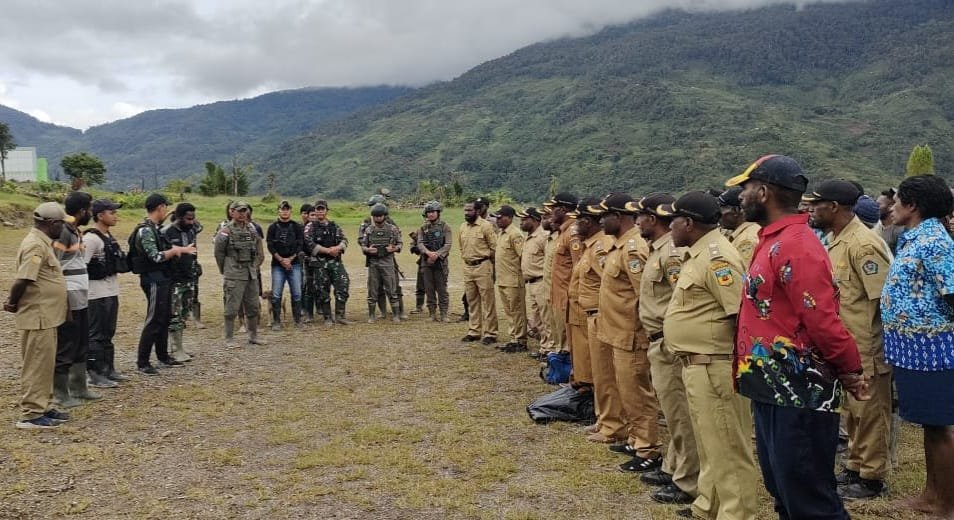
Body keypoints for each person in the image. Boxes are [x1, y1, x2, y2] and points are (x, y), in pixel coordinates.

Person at [726, 155, 869, 519]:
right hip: (772, 386)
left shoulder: (797, 245)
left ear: (763, 192)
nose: (739, 197)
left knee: (809, 497)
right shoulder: (773, 239)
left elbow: (821, 318)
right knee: (784, 490)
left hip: (799, 390)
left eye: (744, 189)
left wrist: (850, 368)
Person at [661, 191, 759, 519]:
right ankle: (709, 506)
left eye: (672, 220)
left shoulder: (718, 257)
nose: (669, 227)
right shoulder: (699, 253)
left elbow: (741, 314)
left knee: (730, 450)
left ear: (688, 223)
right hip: (698, 365)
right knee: (710, 445)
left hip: (715, 367)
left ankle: (737, 514)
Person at [805, 180, 893, 500]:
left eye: (816, 205)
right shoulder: (836, 240)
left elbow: (884, 299)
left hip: (866, 344)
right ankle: (856, 465)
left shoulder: (863, 244)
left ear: (835, 207)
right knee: (854, 412)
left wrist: (876, 348)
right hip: (847, 343)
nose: (811, 210)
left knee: (870, 412)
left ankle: (872, 477)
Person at [880, 174, 954, 517]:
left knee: (939, 427)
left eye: (897, 201)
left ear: (913, 206)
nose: (892, 206)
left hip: (932, 352)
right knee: (930, 424)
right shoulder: (915, 239)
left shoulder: (936, 243)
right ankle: (930, 494)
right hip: (911, 351)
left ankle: (946, 504)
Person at [633, 193, 699, 506]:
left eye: (642, 216)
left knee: (680, 413)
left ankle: (688, 480)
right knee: (672, 412)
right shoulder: (656, 250)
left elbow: (679, 299)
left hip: (668, 341)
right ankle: (674, 467)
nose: (637, 222)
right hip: (657, 339)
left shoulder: (671, 254)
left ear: (654, 219)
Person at [596, 193, 663, 472]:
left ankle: (648, 448)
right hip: (616, 332)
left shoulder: (633, 248)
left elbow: (643, 295)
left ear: (619, 216)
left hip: (631, 333)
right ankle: (635, 439)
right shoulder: (619, 246)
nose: (601, 221)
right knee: (627, 391)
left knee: (638, 394)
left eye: (605, 215)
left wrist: (642, 332)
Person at [5, 202, 72, 429]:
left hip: (47, 315)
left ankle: (43, 405)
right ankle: (31, 414)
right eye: (61, 223)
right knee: (36, 364)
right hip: (38, 315)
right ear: (51, 224)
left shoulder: (43, 243)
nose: (63, 228)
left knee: (45, 363)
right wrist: (12, 302)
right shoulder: (35, 245)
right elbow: (24, 279)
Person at [572, 199, 622, 442]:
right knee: (599, 373)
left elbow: (611, 284)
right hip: (591, 316)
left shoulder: (601, 247)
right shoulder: (590, 246)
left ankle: (613, 425)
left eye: (578, 220)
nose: (574, 225)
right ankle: (604, 419)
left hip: (602, 316)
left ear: (587, 222)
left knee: (605, 374)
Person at [130, 193, 196, 374]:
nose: (166, 211)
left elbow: (159, 227)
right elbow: (156, 256)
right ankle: (143, 361)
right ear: (160, 207)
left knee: (164, 317)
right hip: (152, 278)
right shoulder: (145, 230)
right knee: (154, 319)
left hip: (162, 278)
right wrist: (177, 250)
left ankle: (163, 355)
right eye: (165, 208)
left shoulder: (153, 227)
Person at [53, 191, 101, 407]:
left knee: (81, 342)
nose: (91, 213)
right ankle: (61, 394)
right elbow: (54, 266)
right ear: (83, 211)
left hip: (81, 296)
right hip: (68, 298)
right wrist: (62, 300)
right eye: (90, 209)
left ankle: (79, 387)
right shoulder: (63, 232)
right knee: (66, 345)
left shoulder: (76, 231)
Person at [83, 199, 129, 387]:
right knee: (96, 334)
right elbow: (81, 266)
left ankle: (108, 369)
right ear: (100, 215)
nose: (115, 216)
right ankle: (94, 373)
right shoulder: (90, 239)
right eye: (112, 212)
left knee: (108, 332)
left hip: (110, 290)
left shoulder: (108, 237)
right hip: (95, 293)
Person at [214, 200, 267, 347]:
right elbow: (219, 253)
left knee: (253, 306)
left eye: (245, 211)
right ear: (232, 212)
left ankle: (253, 336)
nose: (243, 214)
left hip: (250, 273)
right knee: (232, 307)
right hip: (234, 272)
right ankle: (229, 338)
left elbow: (259, 250)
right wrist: (226, 270)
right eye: (239, 211)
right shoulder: (225, 231)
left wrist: (255, 266)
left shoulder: (252, 230)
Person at [162, 203, 201, 362]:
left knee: (184, 313)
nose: (191, 222)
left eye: (193, 218)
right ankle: (175, 349)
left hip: (189, 278)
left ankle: (180, 347)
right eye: (188, 218)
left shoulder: (192, 229)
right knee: (175, 315)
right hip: (174, 280)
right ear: (178, 217)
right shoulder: (167, 232)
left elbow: (200, 226)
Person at [303, 200, 352, 325]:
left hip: (335, 262)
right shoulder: (310, 227)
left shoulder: (334, 226)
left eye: (322, 209)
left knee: (343, 286)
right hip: (319, 264)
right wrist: (327, 251)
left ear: (326, 210)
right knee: (322, 290)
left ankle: (340, 315)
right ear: (315, 210)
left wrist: (337, 248)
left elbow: (345, 240)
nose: (320, 211)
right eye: (318, 209)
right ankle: (327, 317)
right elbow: (309, 244)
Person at [459, 199, 498, 344]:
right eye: (465, 210)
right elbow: (461, 247)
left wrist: (489, 264)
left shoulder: (486, 226)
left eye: (469, 210)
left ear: (477, 211)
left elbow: (494, 247)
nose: (466, 213)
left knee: (488, 300)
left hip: (483, 266)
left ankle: (490, 333)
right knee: (472, 300)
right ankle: (474, 331)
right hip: (468, 267)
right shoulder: (463, 227)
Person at [546, 193, 579, 356]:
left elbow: (578, 267)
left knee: (569, 340)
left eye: (553, 208)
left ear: (563, 209)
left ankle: (569, 367)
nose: (550, 212)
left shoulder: (573, 233)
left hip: (567, 296)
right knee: (560, 334)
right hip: (558, 294)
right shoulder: (563, 232)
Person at [360, 203, 403, 323]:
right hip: (374, 263)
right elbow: (363, 245)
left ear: (384, 216)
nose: (378, 218)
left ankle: (396, 315)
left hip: (388, 262)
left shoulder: (392, 229)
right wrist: (367, 250)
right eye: (375, 216)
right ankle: (372, 315)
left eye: (380, 216)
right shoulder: (369, 230)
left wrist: (394, 249)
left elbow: (400, 244)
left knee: (391, 289)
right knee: (372, 289)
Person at [493, 205, 528, 352]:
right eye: (497, 217)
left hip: (513, 280)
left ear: (509, 217)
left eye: (500, 217)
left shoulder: (515, 234)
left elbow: (523, 257)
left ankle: (520, 340)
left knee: (517, 311)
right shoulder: (501, 233)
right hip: (502, 279)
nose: (498, 220)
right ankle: (513, 338)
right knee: (509, 312)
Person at [266, 200, 304, 329]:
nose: (285, 211)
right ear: (278, 211)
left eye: (287, 209)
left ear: (291, 211)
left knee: (297, 293)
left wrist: (290, 259)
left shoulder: (296, 227)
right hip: (277, 265)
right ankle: (276, 321)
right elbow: (270, 245)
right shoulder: (272, 227)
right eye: (282, 209)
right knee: (276, 293)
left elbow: (300, 244)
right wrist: (281, 260)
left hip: (295, 264)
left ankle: (298, 320)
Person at [415, 200, 452, 322]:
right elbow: (419, 243)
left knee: (442, 289)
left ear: (438, 213)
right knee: (429, 289)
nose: (430, 214)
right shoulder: (422, 228)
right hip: (426, 263)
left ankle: (444, 314)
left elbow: (447, 244)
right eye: (428, 212)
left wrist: (437, 254)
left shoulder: (445, 227)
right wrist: (428, 253)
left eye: (433, 212)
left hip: (440, 263)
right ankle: (432, 313)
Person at [517, 207, 546, 354]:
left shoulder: (543, 237)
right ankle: (544, 347)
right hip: (531, 283)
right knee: (537, 318)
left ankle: (548, 350)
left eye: (524, 219)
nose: (521, 222)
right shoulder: (528, 237)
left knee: (545, 317)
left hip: (541, 281)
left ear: (535, 220)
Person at [717, 186, 760, 269]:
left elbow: (746, 276)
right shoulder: (740, 234)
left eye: (721, 209)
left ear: (736, 211)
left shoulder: (746, 240)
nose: (719, 215)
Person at [299, 203, 317, 323]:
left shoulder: (321, 227)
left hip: (319, 260)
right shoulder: (300, 228)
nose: (311, 216)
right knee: (305, 284)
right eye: (307, 214)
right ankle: (304, 308)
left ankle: (319, 307)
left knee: (319, 285)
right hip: (305, 260)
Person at [875, 188, 902, 254]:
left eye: (878, 204)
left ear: (890, 207)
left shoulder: (899, 231)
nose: (875, 206)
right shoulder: (876, 225)